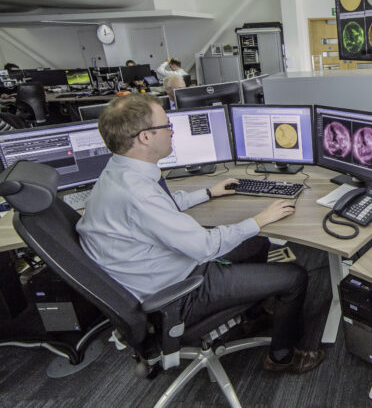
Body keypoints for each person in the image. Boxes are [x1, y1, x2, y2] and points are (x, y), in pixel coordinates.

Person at [76, 94, 324, 373]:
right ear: (145, 137)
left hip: (154, 271)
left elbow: (158, 209)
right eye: (166, 125)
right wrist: (260, 218)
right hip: (178, 292)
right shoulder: (138, 193)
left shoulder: (119, 172)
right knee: (294, 277)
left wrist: (207, 193)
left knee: (255, 244)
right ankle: (282, 357)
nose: (171, 131)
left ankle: (253, 317)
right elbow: (205, 247)